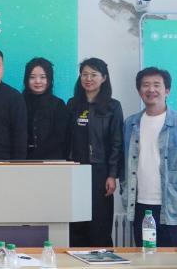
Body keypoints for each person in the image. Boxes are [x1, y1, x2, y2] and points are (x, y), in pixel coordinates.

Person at [122, 67, 177, 248]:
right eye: (145, 85)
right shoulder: (130, 123)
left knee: (173, 259)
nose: (151, 89)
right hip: (139, 205)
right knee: (144, 257)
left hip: (173, 208)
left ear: (167, 90)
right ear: (139, 91)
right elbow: (125, 162)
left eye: (156, 85)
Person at [65, 57, 123, 247]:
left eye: (94, 74)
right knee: (76, 222)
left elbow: (117, 142)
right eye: (84, 74)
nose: (88, 79)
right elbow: (66, 139)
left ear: (104, 78)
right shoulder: (73, 104)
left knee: (99, 223)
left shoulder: (113, 106)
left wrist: (112, 175)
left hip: (100, 172)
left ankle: (102, 259)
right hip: (75, 170)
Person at [22, 57, 69, 160]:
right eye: (32, 77)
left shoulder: (58, 104)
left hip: (51, 160)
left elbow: (60, 136)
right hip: (23, 159)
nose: (37, 81)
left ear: (49, 79)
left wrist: (38, 155)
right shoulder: (18, 102)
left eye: (43, 77)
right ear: (26, 79)